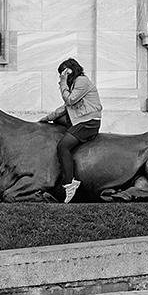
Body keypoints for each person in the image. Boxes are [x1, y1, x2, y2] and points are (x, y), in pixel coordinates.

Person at [39, 58, 103, 203]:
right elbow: (65, 108)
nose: (61, 76)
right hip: (79, 119)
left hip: (88, 122)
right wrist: (47, 118)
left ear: (70, 70)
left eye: (63, 72)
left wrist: (63, 82)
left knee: (63, 147)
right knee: (56, 121)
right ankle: (72, 133)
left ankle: (70, 183)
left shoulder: (81, 80)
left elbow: (69, 101)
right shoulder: (75, 83)